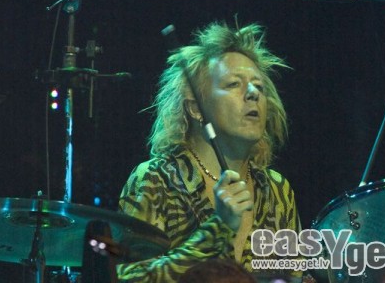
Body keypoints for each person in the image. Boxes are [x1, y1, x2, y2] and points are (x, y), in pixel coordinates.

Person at [117, 21, 301, 282]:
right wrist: (219, 228)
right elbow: (130, 278)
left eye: (259, 87)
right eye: (234, 84)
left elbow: (293, 275)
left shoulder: (277, 190)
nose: (253, 93)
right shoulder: (156, 180)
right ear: (195, 108)